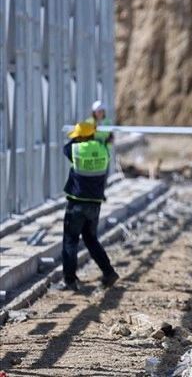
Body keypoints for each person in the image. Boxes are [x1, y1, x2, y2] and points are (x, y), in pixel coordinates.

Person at [56, 122, 119, 292]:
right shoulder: (103, 150)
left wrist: (79, 137)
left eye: (77, 136)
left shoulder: (76, 149)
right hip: (95, 204)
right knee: (91, 239)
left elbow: (66, 148)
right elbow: (100, 145)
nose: (75, 138)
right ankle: (108, 271)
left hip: (77, 203)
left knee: (70, 240)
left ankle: (69, 280)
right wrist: (96, 136)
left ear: (82, 137)